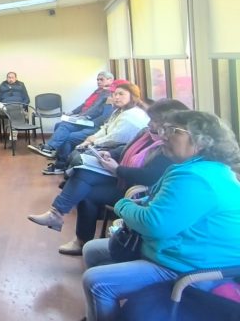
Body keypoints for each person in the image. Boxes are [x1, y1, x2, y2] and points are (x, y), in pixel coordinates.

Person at [64, 110, 240, 321]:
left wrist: (123, 204)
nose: (164, 137)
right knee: (93, 250)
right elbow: (161, 207)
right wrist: (141, 205)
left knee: (97, 282)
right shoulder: (197, 169)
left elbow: (153, 225)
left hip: (192, 266)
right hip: (179, 251)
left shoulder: (196, 179)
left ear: (201, 141)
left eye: (174, 132)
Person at [27, 99, 188, 255]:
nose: (149, 123)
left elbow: (148, 177)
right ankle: (64, 221)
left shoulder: (168, 149)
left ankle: (64, 222)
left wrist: (117, 169)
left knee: (84, 184)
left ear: (166, 125)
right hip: (123, 177)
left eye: (153, 120)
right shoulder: (146, 133)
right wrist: (110, 154)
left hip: (137, 190)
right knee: (83, 175)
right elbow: (126, 148)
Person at [42, 82, 148, 176]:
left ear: (133, 96)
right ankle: (65, 171)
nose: (116, 97)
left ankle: (67, 173)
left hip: (118, 149)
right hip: (103, 137)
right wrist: (91, 138)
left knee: (77, 156)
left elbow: (115, 138)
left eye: (121, 94)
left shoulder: (131, 116)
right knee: (71, 141)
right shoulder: (119, 111)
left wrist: (94, 142)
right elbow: (106, 127)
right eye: (115, 94)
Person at [28, 71, 114, 158]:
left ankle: (51, 150)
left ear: (110, 80)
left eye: (101, 80)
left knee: (65, 128)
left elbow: (98, 111)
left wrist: (84, 116)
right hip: (84, 118)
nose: (98, 82)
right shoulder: (98, 92)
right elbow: (84, 104)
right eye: (97, 80)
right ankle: (54, 152)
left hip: (91, 122)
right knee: (59, 125)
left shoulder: (108, 94)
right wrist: (73, 113)